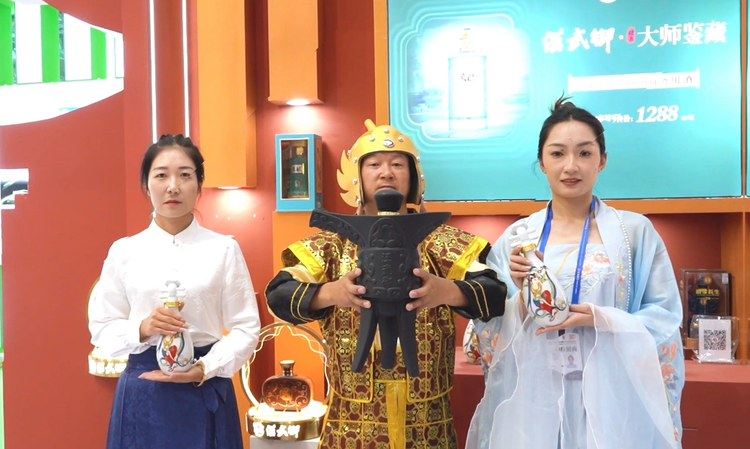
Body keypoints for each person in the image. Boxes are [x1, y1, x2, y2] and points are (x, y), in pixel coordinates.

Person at [265, 119, 507, 449]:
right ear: (357, 176)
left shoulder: (441, 243)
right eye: (374, 164)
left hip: (427, 419)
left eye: (397, 164)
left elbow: (495, 294)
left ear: (414, 177)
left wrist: (445, 291)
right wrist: (331, 293)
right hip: (350, 420)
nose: (386, 173)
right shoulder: (332, 246)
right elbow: (278, 294)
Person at [467, 98, 684, 449]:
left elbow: (665, 317)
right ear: (542, 162)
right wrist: (521, 299)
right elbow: (487, 327)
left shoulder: (634, 232)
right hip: (535, 396)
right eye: (557, 153)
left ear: (602, 160)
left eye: (584, 153)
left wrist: (602, 318)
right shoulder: (518, 238)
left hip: (612, 394)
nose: (571, 166)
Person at [88, 134, 261, 449]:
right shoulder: (124, 252)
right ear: (146, 184)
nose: (173, 186)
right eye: (161, 175)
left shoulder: (223, 249)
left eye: (184, 175)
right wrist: (142, 328)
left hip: (204, 384)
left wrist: (206, 367)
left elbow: (246, 327)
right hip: (143, 392)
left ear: (199, 183)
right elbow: (101, 329)